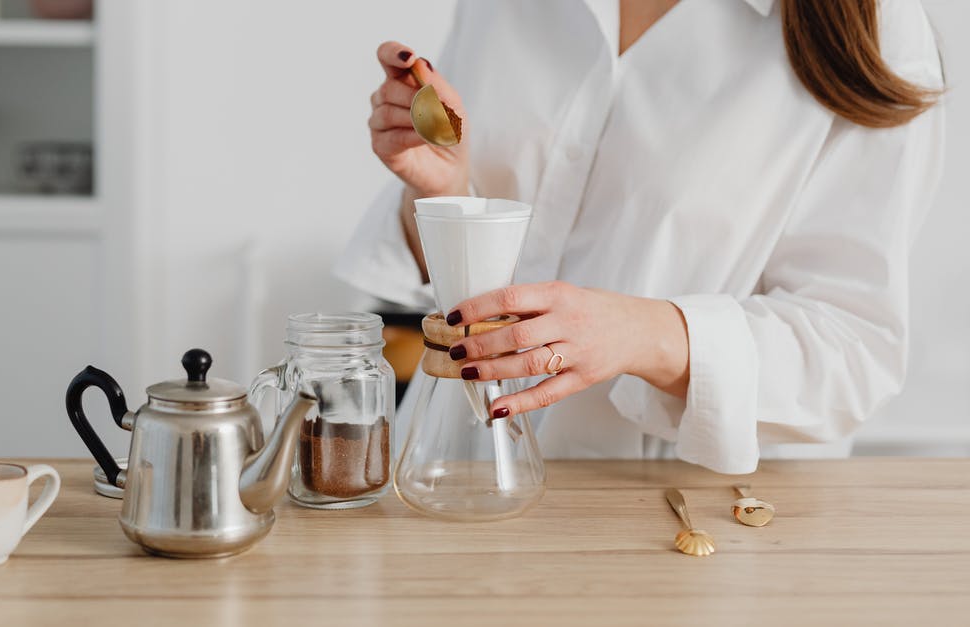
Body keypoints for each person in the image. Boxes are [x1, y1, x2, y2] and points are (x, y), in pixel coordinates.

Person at [335, 0, 945, 473]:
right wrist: (442, 193)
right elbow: (456, 285)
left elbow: (854, 351)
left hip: (689, 518)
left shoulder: (878, 28)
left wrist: (643, 334)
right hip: (466, 474)